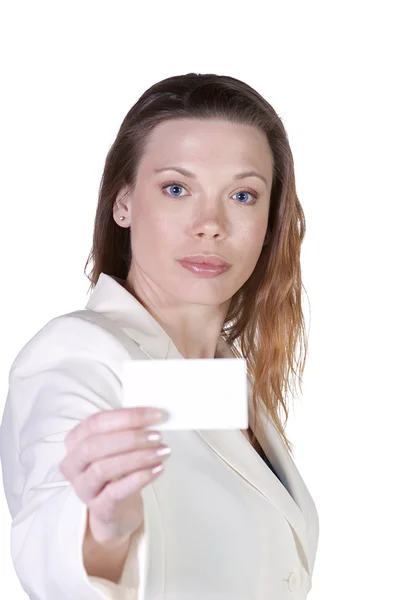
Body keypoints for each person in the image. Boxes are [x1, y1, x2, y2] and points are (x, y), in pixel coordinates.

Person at [0, 72, 319, 599]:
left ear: (270, 219)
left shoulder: (228, 379)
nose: (210, 223)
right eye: (176, 188)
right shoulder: (78, 354)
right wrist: (102, 529)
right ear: (122, 203)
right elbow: (51, 530)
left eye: (243, 195)